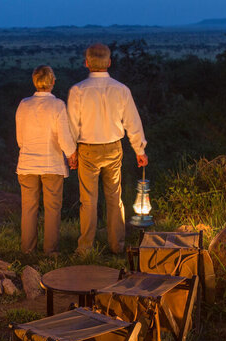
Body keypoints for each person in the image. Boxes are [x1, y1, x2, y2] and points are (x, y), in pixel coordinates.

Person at [67, 43, 148, 254]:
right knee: (114, 197)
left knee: (88, 200)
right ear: (109, 62)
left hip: (87, 150)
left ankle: (85, 248)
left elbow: (72, 125)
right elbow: (133, 122)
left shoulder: (78, 90)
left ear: (87, 63)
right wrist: (139, 150)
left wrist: (71, 152)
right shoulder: (121, 89)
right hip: (113, 148)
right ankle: (117, 245)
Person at [15, 65, 76, 254]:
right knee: (52, 209)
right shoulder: (57, 105)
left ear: (34, 81)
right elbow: (64, 137)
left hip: (27, 164)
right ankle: (50, 251)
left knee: (29, 208)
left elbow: (20, 139)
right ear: (53, 82)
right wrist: (71, 155)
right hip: (52, 164)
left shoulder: (24, 104)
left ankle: (27, 250)